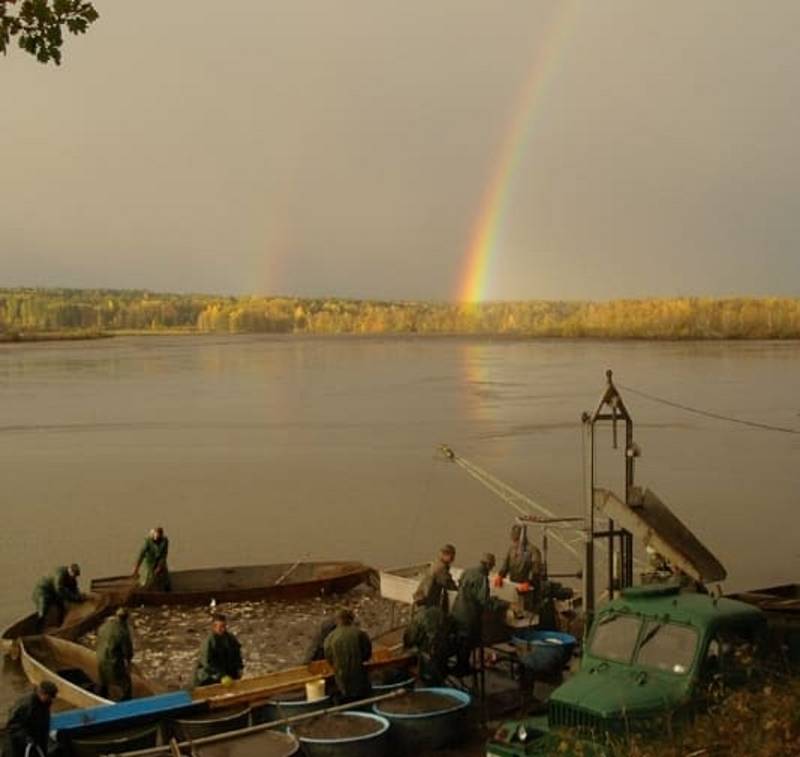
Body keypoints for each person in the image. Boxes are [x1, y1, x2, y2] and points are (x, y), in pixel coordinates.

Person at [452, 553, 507, 676]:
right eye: (492, 566)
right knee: (467, 642)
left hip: (457, 610)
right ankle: (462, 669)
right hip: (469, 615)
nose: (491, 569)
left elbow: (461, 585)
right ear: (488, 565)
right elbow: (484, 601)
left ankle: (458, 665)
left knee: (459, 640)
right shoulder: (482, 578)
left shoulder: (468, 571)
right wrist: (501, 605)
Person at [323, 608, 372, 704]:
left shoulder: (330, 637)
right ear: (351, 619)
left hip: (340, 676)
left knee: (344, 694)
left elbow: (329, 657)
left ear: (337, 620)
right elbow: (367, 654)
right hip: (359, 674)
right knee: (361, 696)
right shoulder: (360, 633)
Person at [494, 525, 543, 611]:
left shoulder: (533, 551)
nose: (513, 538)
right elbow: (506, 564)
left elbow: (536, 571)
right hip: (514, 585)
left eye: (516, 536)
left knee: (526, 610)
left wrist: (529, 582)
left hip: (528, 588)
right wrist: (500, 575)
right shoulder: (512, 549)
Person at [2, 682, 58, 757]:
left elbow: (42, 725)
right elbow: (13, 727)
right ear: (42, 693)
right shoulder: (27, 705)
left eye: (52, 697)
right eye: (49, 697)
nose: (51, 700)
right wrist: (26, 738)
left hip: (36, 741)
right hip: (18, 744)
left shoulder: (45, 704)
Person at [402, 605, 454, 686]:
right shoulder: (430, 614)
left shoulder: (418, 623)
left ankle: (433, 680)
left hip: (434, 641)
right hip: (440, 637)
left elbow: (430, 639)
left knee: (430, 661)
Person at [194, 613, 243, 687]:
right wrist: (221, 675)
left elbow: (237, 654)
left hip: (226, 674)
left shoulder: (231, 638)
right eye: (220, 627)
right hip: (209, 676)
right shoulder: (209, 642)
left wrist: (239, 668)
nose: (223, 629)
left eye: (224, 626)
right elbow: (207, 663)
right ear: (214, 627)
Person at [31, 564, 84, 632]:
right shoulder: (60, 575)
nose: (74, 578)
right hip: (43, 591)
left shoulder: (72, 578)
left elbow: (74, 588)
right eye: (73, 576)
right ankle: (38, 629)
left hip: (53, 593)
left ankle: (59, 627)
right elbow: (60, 591)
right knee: (43, 609)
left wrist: (79, 596)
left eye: (75, 576)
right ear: (70, 571)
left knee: (61, 607)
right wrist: (75, 598)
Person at [96, 607, 134, 701]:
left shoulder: (105, 626)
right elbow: (127, 651)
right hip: (112, 661)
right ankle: (126, 703)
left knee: (103, 680)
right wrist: (128, 663)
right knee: (125, 684)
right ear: (126, 618)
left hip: (100, 657)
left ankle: (99, 698)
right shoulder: (122, 631)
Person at [413, 544, 457, 613]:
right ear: (448, 556)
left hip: (421, 599)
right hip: (426, 602)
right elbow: (449, 585)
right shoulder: (441, 568)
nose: (453, 559)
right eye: (452, 556)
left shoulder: (436, 563)